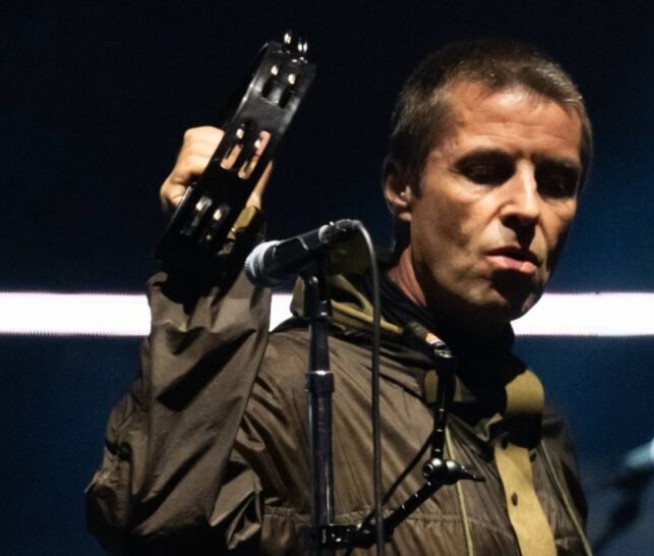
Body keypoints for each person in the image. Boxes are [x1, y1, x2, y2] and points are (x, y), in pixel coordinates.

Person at [86, 39, 594, 555]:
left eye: (556, 183)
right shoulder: (288, 385)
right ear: (401, 188)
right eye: (484, 172)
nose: (528, 208)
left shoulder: (540, 431)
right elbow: (156, 519)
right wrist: (209, 262)